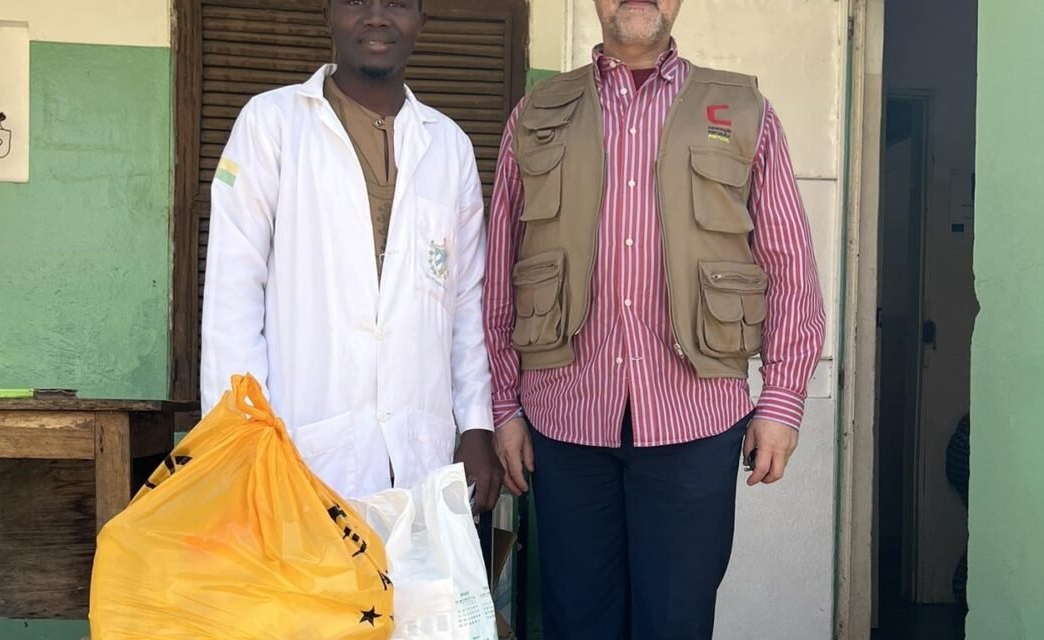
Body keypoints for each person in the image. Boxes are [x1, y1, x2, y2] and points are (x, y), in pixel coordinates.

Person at [482, 0, 827, 636]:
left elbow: (788, 265)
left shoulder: (744, 111)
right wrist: (504, 407)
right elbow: (501, 266)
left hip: (695, 420)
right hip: (565, 420)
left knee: (675, 623)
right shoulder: (535, 115)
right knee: (577, 622)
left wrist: (781, 403)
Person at [201, 0, 502, 510]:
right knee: (309, 587)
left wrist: (476, 423)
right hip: (300, 440)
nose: (377, 17)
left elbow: (467, 301)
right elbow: (234, 290)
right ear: (328, 14)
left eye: (398, 4)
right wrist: (239, 433)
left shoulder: (450, 146)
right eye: (358, 1)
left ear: (421, 21)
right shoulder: (271, 124)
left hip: (417, 450)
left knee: (413, 588)